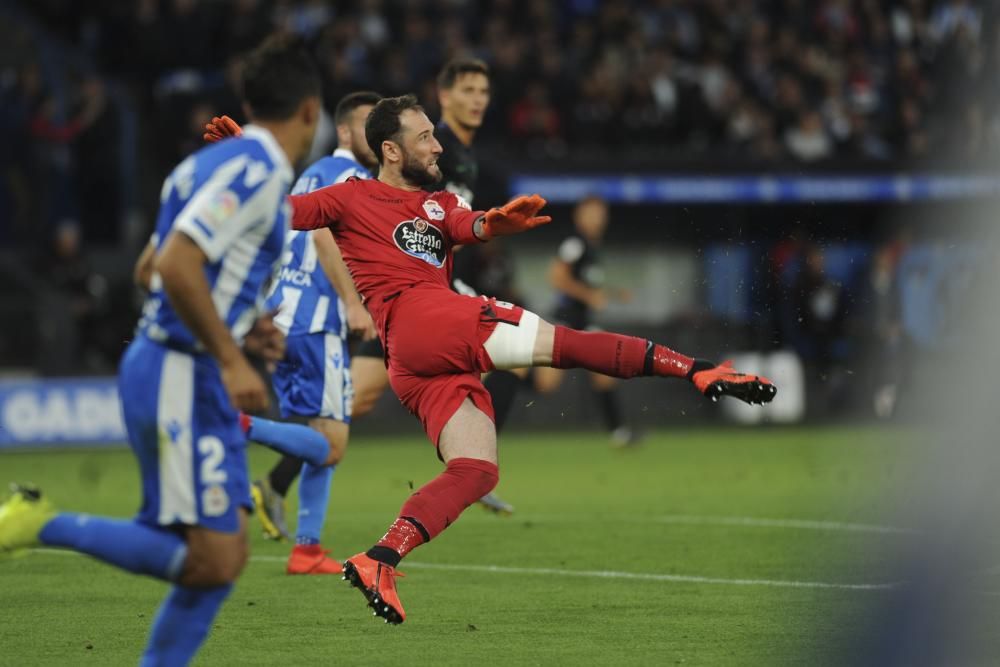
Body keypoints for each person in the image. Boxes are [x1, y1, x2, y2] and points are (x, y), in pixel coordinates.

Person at [285, 94, 777, 624]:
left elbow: (469, 226)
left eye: (434, 133)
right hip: (430, 321)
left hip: (415, 361)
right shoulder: (349, 196)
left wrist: (495, 224)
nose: (437, 144)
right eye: (424, 136)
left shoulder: (440, 204)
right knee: (565, 345)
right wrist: (249, 163)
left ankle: (379, 558)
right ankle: (698, 369)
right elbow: (283, 214)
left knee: (476, 471)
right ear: (389, 149)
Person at [0, 35, 328, 665]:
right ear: (311, 111)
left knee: (220, 555)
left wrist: (244, 322)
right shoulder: (258, 175)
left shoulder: (200, 166)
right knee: (210, 555)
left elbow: (148, 267)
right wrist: (232, 357)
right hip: (183, 369)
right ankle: (37, 523)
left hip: (171, 364)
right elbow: (175, 264)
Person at [249, 92, 381, 573]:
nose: (376, 133)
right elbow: (323, 231)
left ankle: (307, 550)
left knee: (321, 434)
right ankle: (233, 423)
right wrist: (351, 300)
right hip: (317, 320)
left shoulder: (313, 172)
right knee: (331, 444)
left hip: (286, 312)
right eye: (368, 124)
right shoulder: (349, 176)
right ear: (344, 131)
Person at [533, 195, 638, 447]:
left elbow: (586, 283)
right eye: (592, 213)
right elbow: (556, 277)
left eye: (601, 213)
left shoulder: (591, 246)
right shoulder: (574, 243)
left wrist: (612, 292)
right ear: (579, 215)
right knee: (545, 384)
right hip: (566, 321)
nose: (597, 218)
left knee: (606, 371)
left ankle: (619, 433)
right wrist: (589, 295)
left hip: (584, 323)